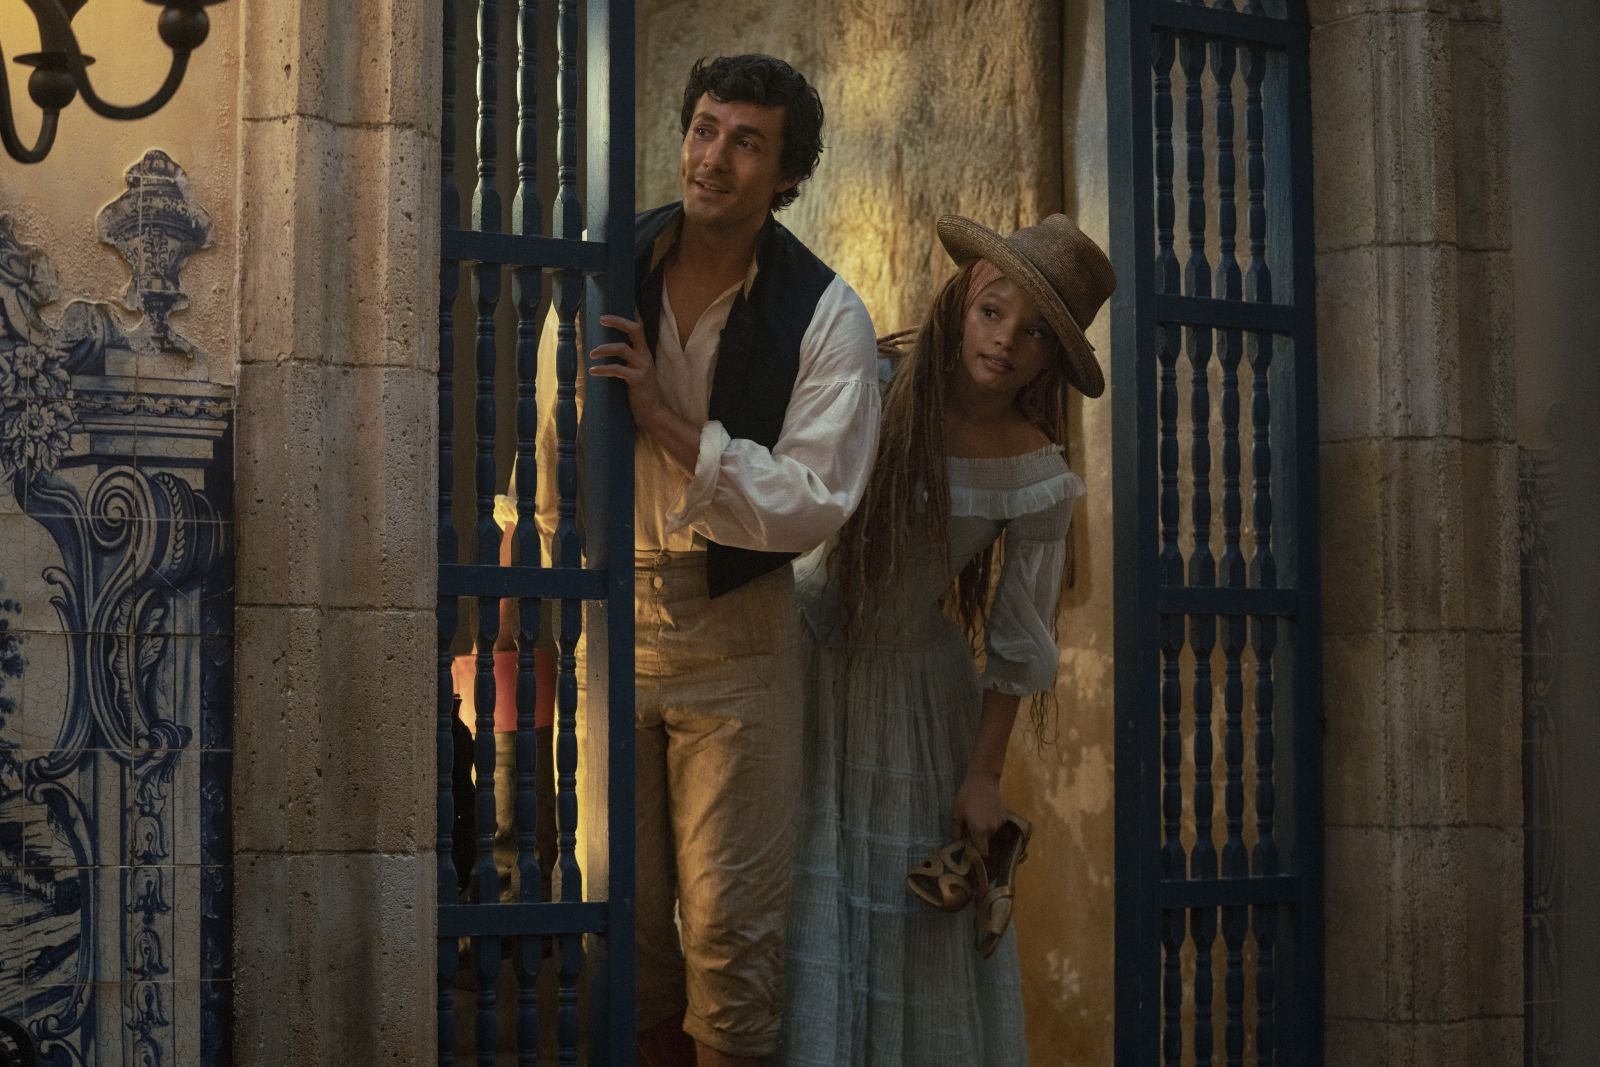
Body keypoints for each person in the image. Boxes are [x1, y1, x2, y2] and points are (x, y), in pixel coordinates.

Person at [533, 54, 881, 1066]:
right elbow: (552, 429)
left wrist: (664, 418)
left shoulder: (829, 313)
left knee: (731, 934)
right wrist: (556, 567)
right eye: (704, 129)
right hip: (611, 613)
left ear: (787, 175)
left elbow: (815, 497)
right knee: (623, 926)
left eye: (747, 142)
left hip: (739, 633)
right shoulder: (608, 268)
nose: (714, 158)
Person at [777, 213, 1115, 1065]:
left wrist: (984, 774)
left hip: (913, 702)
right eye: (994, 311)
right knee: (787, 905)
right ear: (964, 301)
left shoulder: (1037, 470)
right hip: (795, 655)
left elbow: (1017, 638)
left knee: (903, 924)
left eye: (1035, 334)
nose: (1006, 341)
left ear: (1051, 358)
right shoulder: (875, 380)